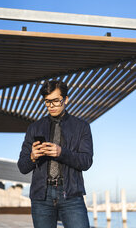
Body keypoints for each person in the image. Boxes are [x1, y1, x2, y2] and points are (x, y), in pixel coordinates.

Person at [17, 80, 93, 228]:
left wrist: (62, 153)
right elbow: (22, 166)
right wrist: (32, 157)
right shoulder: (34, 128)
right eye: (47, 102)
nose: (51, 106)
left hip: (71, 195)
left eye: (55, 101)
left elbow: (86, 161)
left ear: (66, 99)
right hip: (41, 197)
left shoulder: (82, 127)